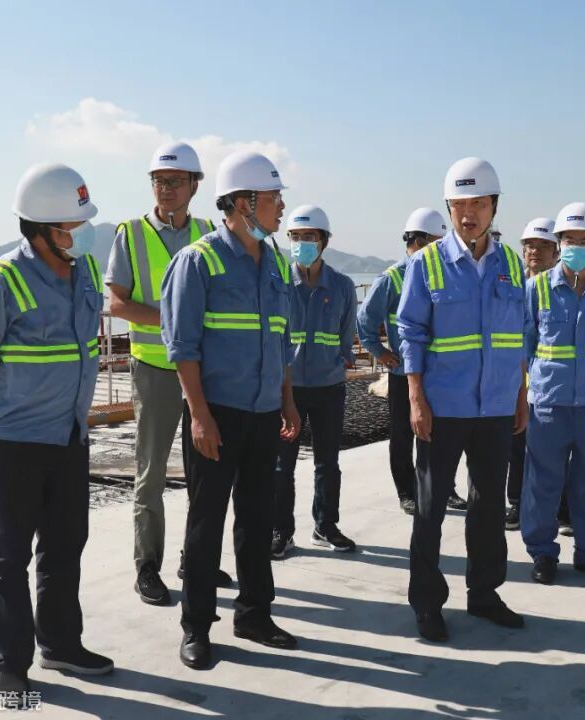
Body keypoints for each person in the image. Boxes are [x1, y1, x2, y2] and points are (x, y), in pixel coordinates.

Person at [0, 163, 114, 705]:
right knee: (10, 558)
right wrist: (8, 403)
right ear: (40, 229)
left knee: (65, 547)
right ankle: (13, 664)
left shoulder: (84, 270)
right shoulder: (1, 281)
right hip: (15, 441)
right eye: (73, 225)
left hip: (70, 436)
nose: (83, 233)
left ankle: (62, 644)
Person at [161, 150, 301, 669]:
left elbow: (280, 340)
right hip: (216, 415)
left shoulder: (277, 263)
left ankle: (254, 614)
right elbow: (183, 348)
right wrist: (199, 416)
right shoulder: (198, 262)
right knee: (206, 523)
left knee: (257, 519)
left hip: (264, 414)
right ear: (244, 203)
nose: (281, 207)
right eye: (273, 198)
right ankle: (196, 627)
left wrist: (287, 401)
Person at [397, 157, 528, 642]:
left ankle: (485, 594)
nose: (469, 214)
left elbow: (518, 335)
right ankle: (427, 603)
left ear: (494, 206)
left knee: (489, 506)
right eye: (459, 205)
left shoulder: (511, 264)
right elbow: (410, 332)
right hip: (443, 408)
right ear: (448, 208)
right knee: (430, 509)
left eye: (478, 204)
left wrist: (520, 394)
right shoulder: (426, 263)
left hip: (495, 407)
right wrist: (415, 397)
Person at [105, 141, 231, 606]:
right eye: (159, 181)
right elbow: (117, 303)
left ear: (195, 185)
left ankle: (195, 559)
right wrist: (172, 320)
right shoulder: (131, 233)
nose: (166, 189)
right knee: (151, 473)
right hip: (155, 370)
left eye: (176, 181)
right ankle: (147, 566)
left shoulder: (208, 232)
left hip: (201, 371)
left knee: (205, 470)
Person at [522, 203, 585, 585]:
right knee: (542, 484)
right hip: (549, 404)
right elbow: (526, 344)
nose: (576, 247)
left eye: (584, 240)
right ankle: (542, 553)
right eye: (569, 240)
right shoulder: (536, 289)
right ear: (559, 243)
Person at [271, 205, 359, 558]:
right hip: (287, 389)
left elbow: (346, 335)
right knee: (282, 465)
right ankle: (281, 530)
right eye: (295, 237)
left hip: (328, 388)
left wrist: (338, 360)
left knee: (328, 463)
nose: (302, 243)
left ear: (324, 241)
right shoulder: (278, 283)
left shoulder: (342, 286)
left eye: (309, 236)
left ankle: (326, 525)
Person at [357, 208, 446, 515]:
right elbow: (364, 320)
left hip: (435, 371)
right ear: (419, 242)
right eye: (437, 243)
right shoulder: (393, 278)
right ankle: (406, 491)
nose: (442, 250)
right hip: (403, 372)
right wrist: (379, 352)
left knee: (437, 435)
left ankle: (441, 488)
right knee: (403, 435)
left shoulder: (437, 274)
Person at [506, 218, 572, 534]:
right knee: (516, 449)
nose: (534, 251)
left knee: (556, 451)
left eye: (543, 246)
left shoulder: (563, 289)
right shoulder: (511, 286)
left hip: (551, 384)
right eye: (530, 245)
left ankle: (563, 509)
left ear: (556, 252)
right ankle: (518, 505)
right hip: (515, 381)